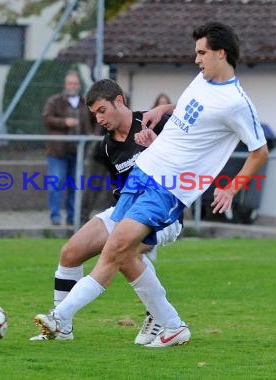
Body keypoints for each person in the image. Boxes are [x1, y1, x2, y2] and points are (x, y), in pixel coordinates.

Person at [34, 21, 269, 348]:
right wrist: (162, 108)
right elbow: (191, 111)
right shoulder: (202, 80)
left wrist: (232, 187)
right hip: (145, 173)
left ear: (221, 53)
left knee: (116, 249)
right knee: (119, 253)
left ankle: (60, 318)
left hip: (168, 188)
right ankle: (171, 325)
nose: (196, 59)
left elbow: (260, 151)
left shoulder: (236, 102)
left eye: (201, 52)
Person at [31, 79, 183, 345]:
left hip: (164, 212)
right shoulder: (107, 146)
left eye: (102, 110)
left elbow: (202, 112)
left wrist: (160, 128)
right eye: (94, 114)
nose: (99, 118)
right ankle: (63, 327)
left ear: (119, 101)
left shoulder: (153, 121)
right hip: (126, 208)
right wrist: (87, 211)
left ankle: (162, 318)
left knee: (123, 255)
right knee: (70, 252)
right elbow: (108, 184)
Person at [43, 71, 94, 226]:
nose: (72, 86)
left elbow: (96, 121)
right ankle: (55, 216)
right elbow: (47, 119)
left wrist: (92, 136)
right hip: (58, 151)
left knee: (74, 186)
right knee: (56, 183)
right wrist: (65, 122)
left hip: (78, 152)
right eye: (69, 83)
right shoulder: (54, 101)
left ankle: (72, 217)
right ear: (65, 85)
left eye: (75, 83)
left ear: (79, 85)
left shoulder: (85, 103)